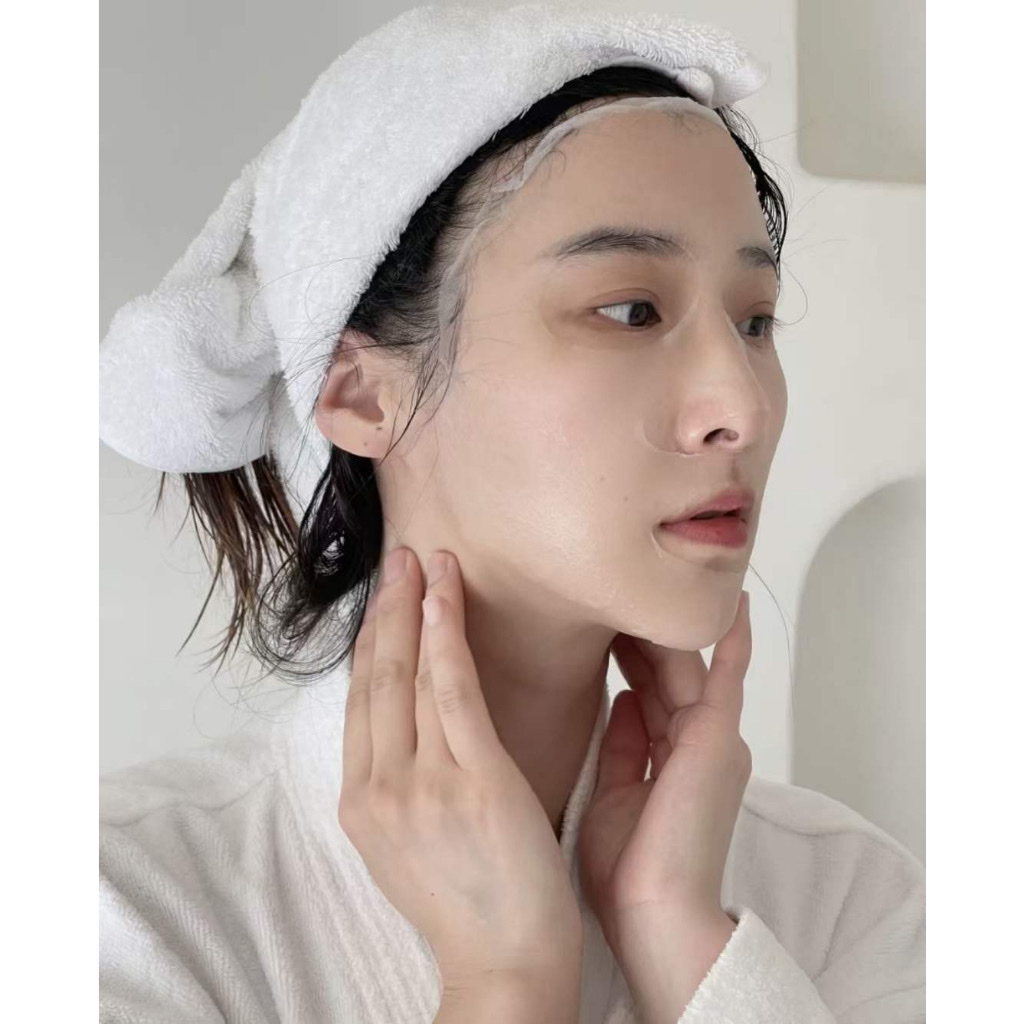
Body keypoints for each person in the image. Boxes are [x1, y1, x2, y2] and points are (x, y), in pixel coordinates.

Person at [99, 8, 924, 1024]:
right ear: (362, 393)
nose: (743, 408)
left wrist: (677, 934)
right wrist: (505, 981)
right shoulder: (123, 912)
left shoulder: (847, 899)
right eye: (630, 310)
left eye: (754, 319)